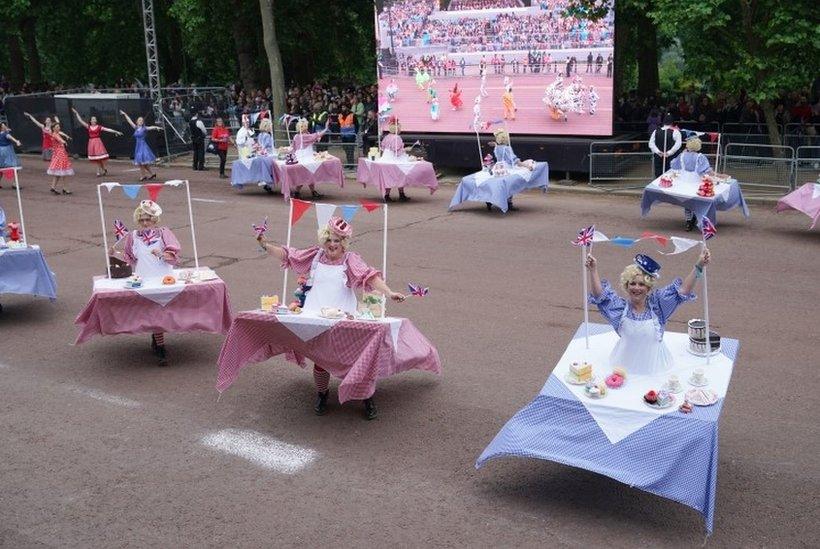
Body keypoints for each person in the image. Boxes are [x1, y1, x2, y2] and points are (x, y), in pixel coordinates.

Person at [256, 216, 406, 419]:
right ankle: (322, 393)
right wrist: (264, 244)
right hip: (315, 316)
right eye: (329, 240)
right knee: (321, 359)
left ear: (343, 243)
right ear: (323, 240)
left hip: (344, 317)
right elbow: (287, 255)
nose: (332, 244)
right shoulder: (314, 256)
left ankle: (366, 397)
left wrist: (389, 292)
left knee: (357, 359)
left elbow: (370, 276)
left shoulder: (350, 259)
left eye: (337, 241)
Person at [585, 250, 710, 376]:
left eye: (641, 284)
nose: (636, 288)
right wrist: (593, 270)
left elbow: (683, 290)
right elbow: (599, 295)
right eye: (632, 283)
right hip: (624, 367)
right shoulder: (619, 309)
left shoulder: (658, 305)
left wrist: (699, 265)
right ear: (626, 286)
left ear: (648, 287)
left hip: (657, 368)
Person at [109, 200, 180, 366]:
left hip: (164, 278)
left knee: (161, 312)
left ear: (155, 219)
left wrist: (162, 254)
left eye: (148, 219)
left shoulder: (164, 233)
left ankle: (157, 340)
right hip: (143, 280)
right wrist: (115, 253)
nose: (145, 223)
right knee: (154, 313)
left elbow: (174, 256)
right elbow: (129, 258)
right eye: (141, 220)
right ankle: (160, 346)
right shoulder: (133, 236)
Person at [671, 136, 728, 230]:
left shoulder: (682, 155)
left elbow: (674, 165)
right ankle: (697, 218)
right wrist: (719, 175)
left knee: (686, 201)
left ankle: (689, 221)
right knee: (697, 201)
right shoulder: (700, 157)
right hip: (696, 182)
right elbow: (707, 171)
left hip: (683, 182)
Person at [72, 108, 123, 177]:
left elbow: (107, 129)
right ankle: (104, 169)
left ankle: (98, 171)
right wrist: (76, 113)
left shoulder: (99, 127)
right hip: (92, 143)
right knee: (97, 159)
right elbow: (80, 121)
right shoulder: (88, 126)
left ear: (96, 121)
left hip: (98, 143)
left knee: (98, 158)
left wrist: (116, 131)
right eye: (92, 119)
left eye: (94, 119)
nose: (93, 120)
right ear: (90, 120)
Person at [119, 111, 162, 181]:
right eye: (139, 120)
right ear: (137, 121)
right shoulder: (136, 127)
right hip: (138, 147)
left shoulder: (144, 128)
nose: (141, 121)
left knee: (141, 163)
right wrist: (125, 114)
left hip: (143, 146)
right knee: (143, 163)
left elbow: (151, 127)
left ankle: (143, 176)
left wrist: (156, 127)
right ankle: (152, 174)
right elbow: (129, 121)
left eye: (142, 120)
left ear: (143, 122)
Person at [379, 116, 413, 202]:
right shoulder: (397, 138)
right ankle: (401, 194)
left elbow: (383, 147)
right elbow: (397, 151)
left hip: (385, 158)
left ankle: (387, 195)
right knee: (400, 175)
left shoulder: (387, 136)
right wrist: (406, 149)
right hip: (394, 159)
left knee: (389, 177)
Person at [47, 122, 74, 195]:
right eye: (57, 127)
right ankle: (65, 189)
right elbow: (59, 139)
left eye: (59, 127)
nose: (59, 128)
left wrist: (66, 137)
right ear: (54, 128)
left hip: (58, 154)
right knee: (64, 172)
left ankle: (53, 187)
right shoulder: (55, 134)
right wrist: (64, 141)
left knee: (58, 173)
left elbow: (60, 135)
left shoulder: (55, 133)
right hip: (60, 154)